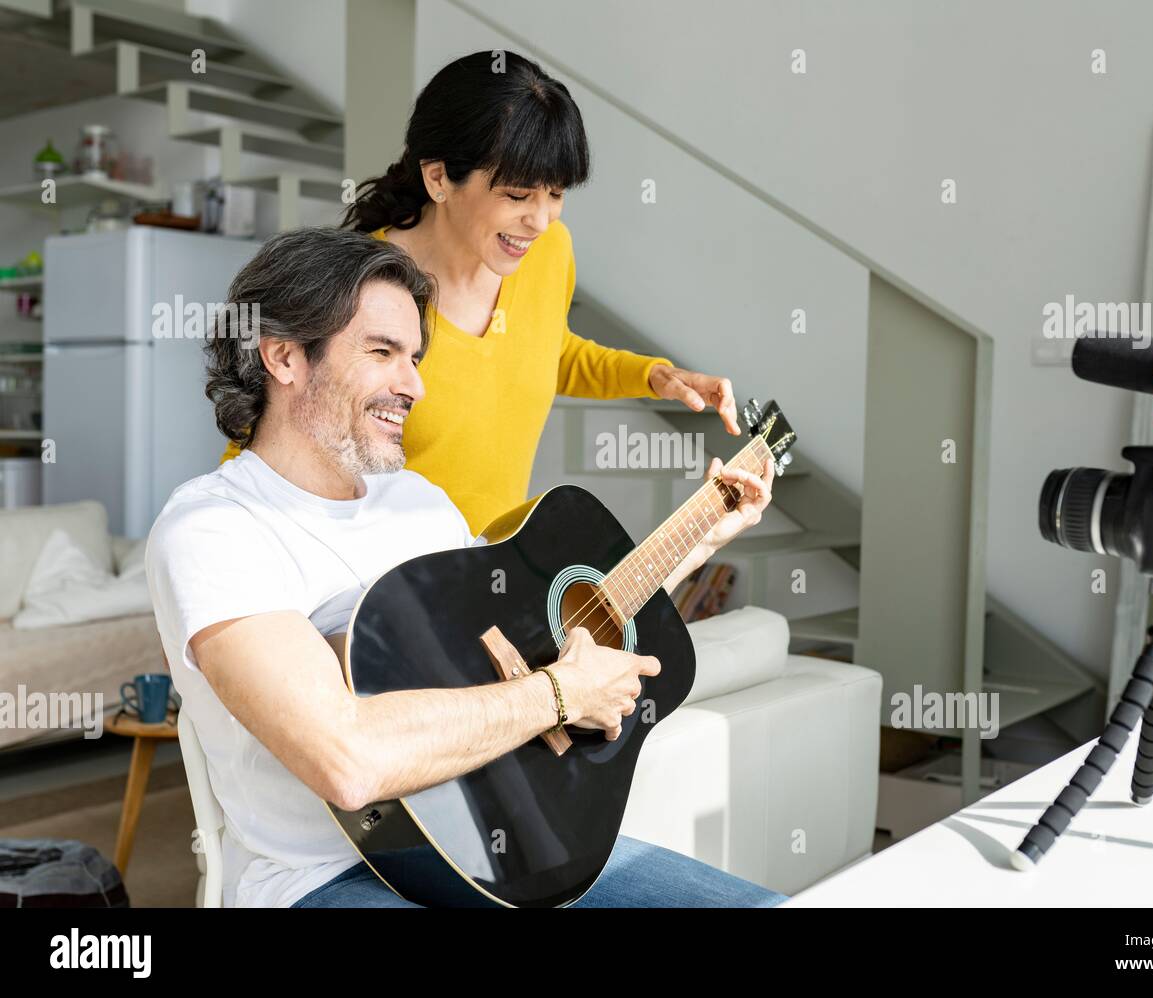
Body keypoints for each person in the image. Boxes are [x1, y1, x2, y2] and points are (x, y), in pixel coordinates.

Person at [147, 227, 783, 908]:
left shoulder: (419, 503)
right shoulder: (214, 529)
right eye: (383, 352)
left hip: (500, 846)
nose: (414, 384)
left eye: (415, 357)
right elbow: (348, 760)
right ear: (284, 357)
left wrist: (696, 539)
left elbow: (522, 640)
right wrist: (562, 694)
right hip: (327, 879)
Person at [223, 49, 740, 537]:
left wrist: (652, 375)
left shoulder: (549, 252)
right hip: (383, 591)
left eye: (556, 194)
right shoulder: (355, 289)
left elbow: (548, 351)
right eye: (517, 195)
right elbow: (266, 446)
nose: (540, 220)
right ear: (439, 177)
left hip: (495, 575)